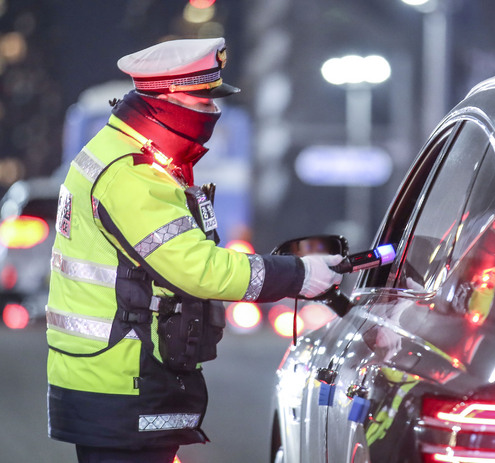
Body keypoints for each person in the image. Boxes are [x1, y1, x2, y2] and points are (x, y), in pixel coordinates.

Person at [46, 37, 343, 463]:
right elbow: (196, 267)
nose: (213, 113)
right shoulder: (132, 174)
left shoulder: (129, 155)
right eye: (204, 101)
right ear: (169, 100)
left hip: (109, 374)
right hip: (119, 380)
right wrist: (299, 275)